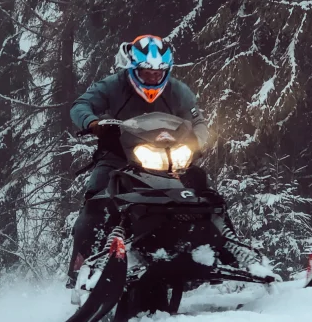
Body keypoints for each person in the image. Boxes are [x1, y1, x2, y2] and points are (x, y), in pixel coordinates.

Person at [67, 35, 210, 287]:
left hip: (169, 159)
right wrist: (92, 122)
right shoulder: (112, 86)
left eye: (159, 72)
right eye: (146, 72)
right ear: (133, 69)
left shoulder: (178, 90)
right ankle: (81, 268)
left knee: (204, 190)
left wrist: (198, 141)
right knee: (96, 199)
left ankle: (225, 252)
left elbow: (197, 119)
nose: (153, 77)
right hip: (118, 157)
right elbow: (81, 105)